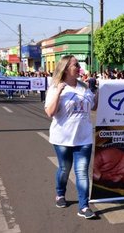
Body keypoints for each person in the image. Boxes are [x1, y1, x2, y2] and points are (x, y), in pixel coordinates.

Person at [44, 55, 98, 219]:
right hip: (62, 138)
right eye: (76, 65)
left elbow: (94, 107)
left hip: (84, 138)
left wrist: (98, 91)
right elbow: (50, 112)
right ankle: (60, 194)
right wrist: (59, 91)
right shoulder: (55, 87)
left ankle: (84, 206)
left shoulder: (84, 87)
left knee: (82, 172)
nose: (79, 67)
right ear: (66, 68)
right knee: (64, 169)